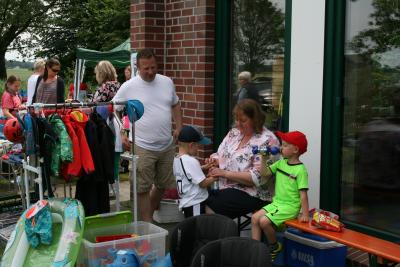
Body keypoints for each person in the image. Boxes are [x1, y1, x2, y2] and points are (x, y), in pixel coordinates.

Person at [112, 48, 183, 222]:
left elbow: (175, 104)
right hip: (142, 144)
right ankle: (147, 224)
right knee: (142, 187)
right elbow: (114, 110)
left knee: (163, 184)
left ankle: (147, 217)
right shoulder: (129, 86)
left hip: (166, 143)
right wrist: (122, 133)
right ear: (137, 67)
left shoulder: (167, 82)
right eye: (146, 68)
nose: (150, 72)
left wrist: (179, 126)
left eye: (153, 67)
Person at [206, 99, 279, 219]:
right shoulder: (234, 133)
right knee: (199, 198)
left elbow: (257, 178)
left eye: (243, 120)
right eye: (236, 119)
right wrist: (214, 161)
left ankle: (221, 234)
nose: (238, 124)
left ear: (256, 119)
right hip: (226, 187)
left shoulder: (268, 140)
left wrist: (225, 173)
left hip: (254, 193)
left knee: (213, 205)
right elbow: (221, 154)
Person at [251, 130, 309, 261]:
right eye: (281, 145)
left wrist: (304, 214)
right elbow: (265, 174)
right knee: (255, 218)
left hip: (290, 207)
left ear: (295, 149)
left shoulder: (300, 170)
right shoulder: (281, 163)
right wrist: (264, 156)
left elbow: (303, 195)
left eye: (285, 145)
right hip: (277, 203)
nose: (281, 148)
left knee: (264, 221)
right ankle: (254, 251)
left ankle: (274, 246)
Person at [174, 125, 217, 218]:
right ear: (191, 145)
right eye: (198, 145)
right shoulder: (191, 161)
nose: (198, 148)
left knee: (194, 226)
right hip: (195, 202)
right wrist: (217, 176)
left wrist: (204, 167)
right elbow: (203, 183)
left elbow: (187, 173)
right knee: (197, 228)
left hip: (187, 201)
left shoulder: (177, 159)